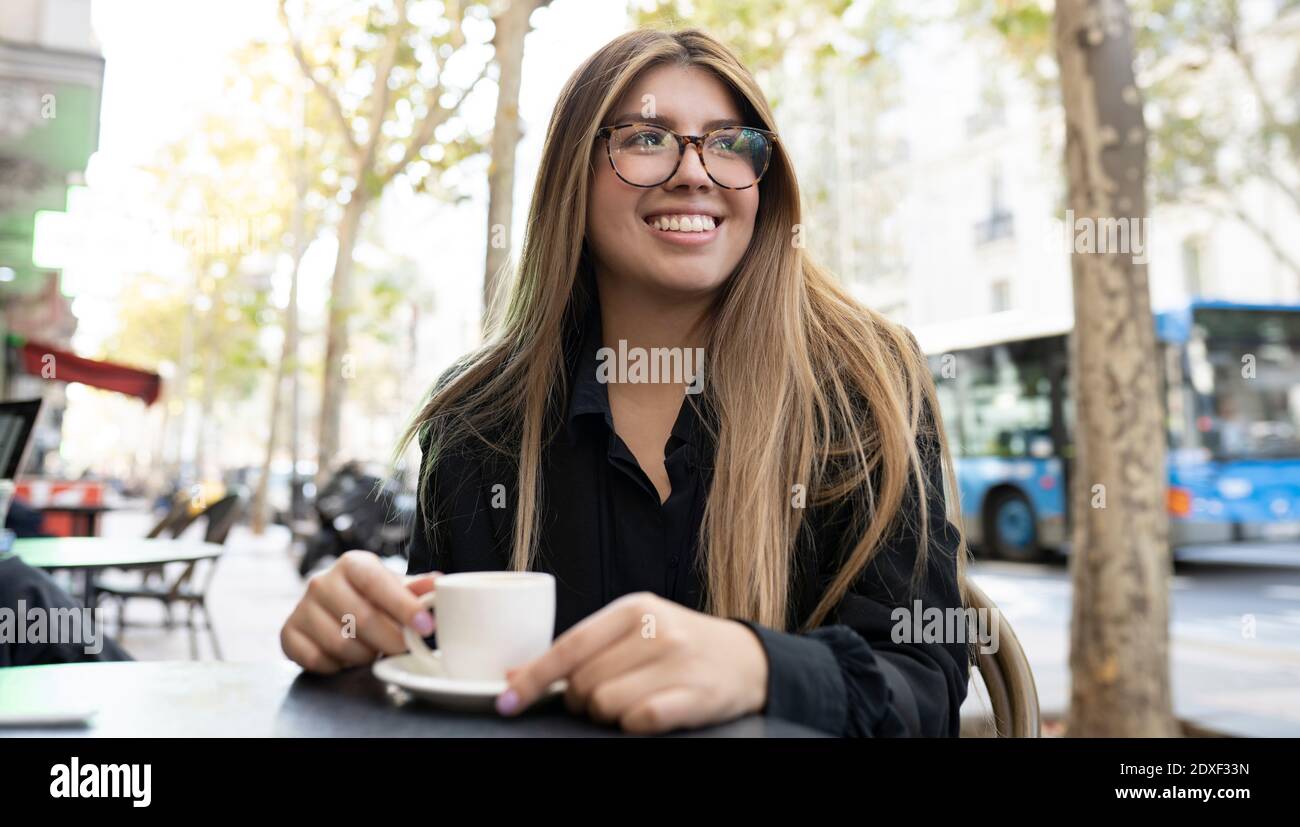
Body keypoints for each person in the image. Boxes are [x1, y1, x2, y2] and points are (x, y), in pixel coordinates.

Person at [280, 28, 973, 736]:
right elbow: (433, 681)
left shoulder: (865, 380)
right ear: (570, 179)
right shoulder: (474, 418)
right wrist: (354, 636)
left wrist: (759, 665)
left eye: (730, 142)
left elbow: (924, 681)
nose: (696, 172)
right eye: (647, 138)